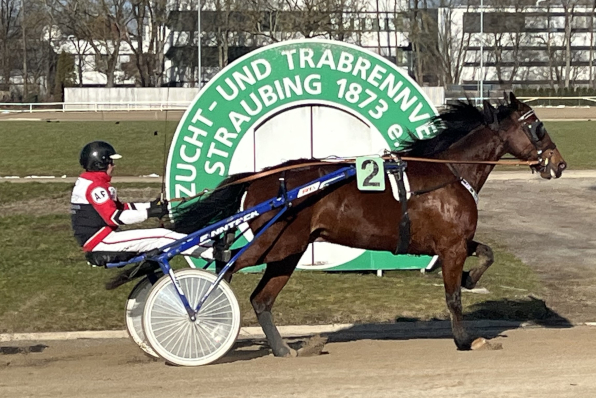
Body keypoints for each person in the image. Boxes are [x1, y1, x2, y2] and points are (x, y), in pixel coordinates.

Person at [70, 140, 209, 268]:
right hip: (101, 241)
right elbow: (115, 217)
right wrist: (149, 213)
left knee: (163, 237)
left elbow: (122, 207)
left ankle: (208, 248)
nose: (114, 165)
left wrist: (152, 206)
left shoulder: (92, 183)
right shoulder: (95, 187)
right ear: (100, 164)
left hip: (102, 237)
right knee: (163, 236)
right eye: (111, 162)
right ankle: (211, 251)